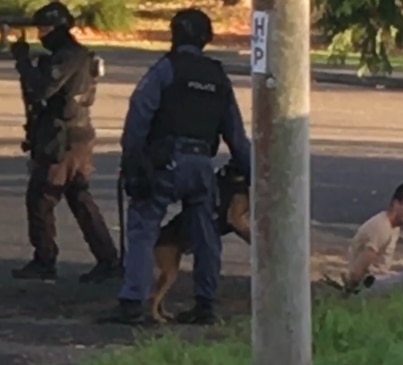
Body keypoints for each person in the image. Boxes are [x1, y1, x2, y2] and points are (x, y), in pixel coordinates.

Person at [104, 7, 251, 325]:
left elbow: (140, 114)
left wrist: (131, 161)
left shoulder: (165, 70)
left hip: (164, 162)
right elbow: (237, 136)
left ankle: (132, 303)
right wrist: (252, 175)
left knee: (143, 227)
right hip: (201, 165)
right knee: (206, 235)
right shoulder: (218, 77)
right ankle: (205, 304)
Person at [9, 2, 121, 283]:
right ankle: (107, 260)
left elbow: (41, 89)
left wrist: (22, 60)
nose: (41, 34)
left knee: (41, 198)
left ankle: (45, 260)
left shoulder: (69, 57)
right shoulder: (71, 55)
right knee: (79, 198)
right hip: (71, 135)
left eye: (45, 28)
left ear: (59, 28)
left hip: (64, 138)